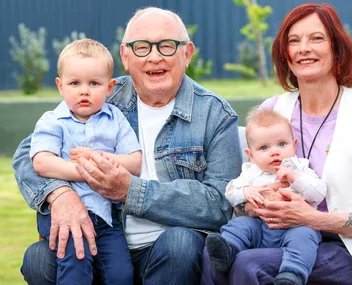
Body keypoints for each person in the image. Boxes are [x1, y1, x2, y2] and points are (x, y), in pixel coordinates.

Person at [13, 7, 242, 285]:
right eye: (142, 47)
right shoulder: (102, 93)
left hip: (167, 251)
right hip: (101, 233)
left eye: (167, 46)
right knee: (39, 258)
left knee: (181, 242)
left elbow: (220, 203)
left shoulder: (215, 115)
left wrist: (131, 191)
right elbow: (29, 154)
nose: (154, 57)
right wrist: (60, 194)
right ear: (125, 55)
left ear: (187, 53)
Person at [201, 3, 352, 284]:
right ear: (285, 54)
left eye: (316, 38)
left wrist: (312, 219)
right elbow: (248, 185)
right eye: (293, 41)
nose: (303, 48)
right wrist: (256, 204)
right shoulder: (272, 110)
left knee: (249, 263)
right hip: (277, 236)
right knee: (215, 255)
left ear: (337, 48)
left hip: (350, 248)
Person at [29, 38, 142, 284]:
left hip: (106, 216)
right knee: (75, 264)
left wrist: (101, 160)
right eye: (74, 83)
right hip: (62, 216)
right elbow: (42, 163)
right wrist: (86, 171)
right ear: (60, 86)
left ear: (110, 87)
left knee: (121, 274)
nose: (84, 90)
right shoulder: (53, 121)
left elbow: (135, 162)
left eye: (94, 83)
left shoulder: (116, 120)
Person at [205, 108, 326, 285]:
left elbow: (319, 193)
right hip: (260, 226)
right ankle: (227, 250)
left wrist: (296, 179)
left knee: (305, 237)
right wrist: (246, 191)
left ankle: (292, 275)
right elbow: (230, 191)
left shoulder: (300, 169)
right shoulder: (250, 172)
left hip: (295, 226)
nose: (274, 152)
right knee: (240, 225)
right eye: (264, 148)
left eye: (282, 144)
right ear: (251, 155)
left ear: (294, 144)